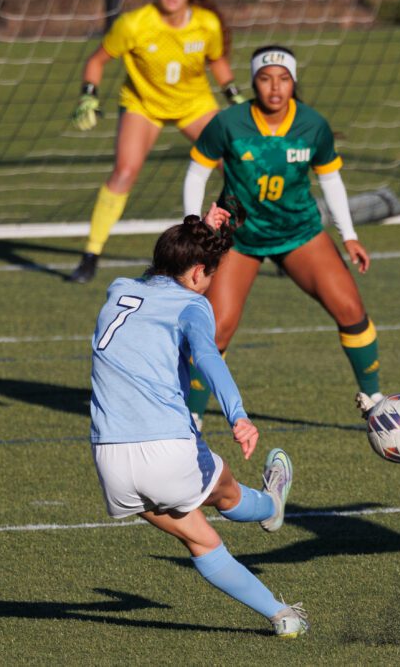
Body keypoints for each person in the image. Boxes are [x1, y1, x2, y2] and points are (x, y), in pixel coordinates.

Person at [89, 208, 308, 637]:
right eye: (209, 275)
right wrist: (238, 416)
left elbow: (157, 275)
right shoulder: (193, 304)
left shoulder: (120, 289)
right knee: (226, 492)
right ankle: (272, 505)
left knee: (202, 541)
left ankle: (283, 617)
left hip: (110, 460)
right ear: (195, 273)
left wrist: (203, 233)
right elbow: (207, 357)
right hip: (167, 448)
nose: (208, 286)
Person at [180, 44, 384, 423]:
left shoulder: (313, 125)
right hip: (239, 238)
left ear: (294, 83)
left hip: (299, 232)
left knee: (351, 310)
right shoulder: (228, 123)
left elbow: (331, 179)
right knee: (216, 331)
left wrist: (349, 235)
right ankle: (189, 418)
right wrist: (195, 227)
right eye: (265, 78)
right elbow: (196, 172)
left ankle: (375, 401)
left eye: (283, 79)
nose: (275, 87)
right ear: (253, 83)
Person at [68, 0, 247, 284]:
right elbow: (97, 61)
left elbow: (217, 61)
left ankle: (261, 243)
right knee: (124, 172)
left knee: (239, 167)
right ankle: (90, 254)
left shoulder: (206, 23)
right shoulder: (133, 24)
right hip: (143, 104)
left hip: (193, 105)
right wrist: (88, 96)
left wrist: (234, 95)